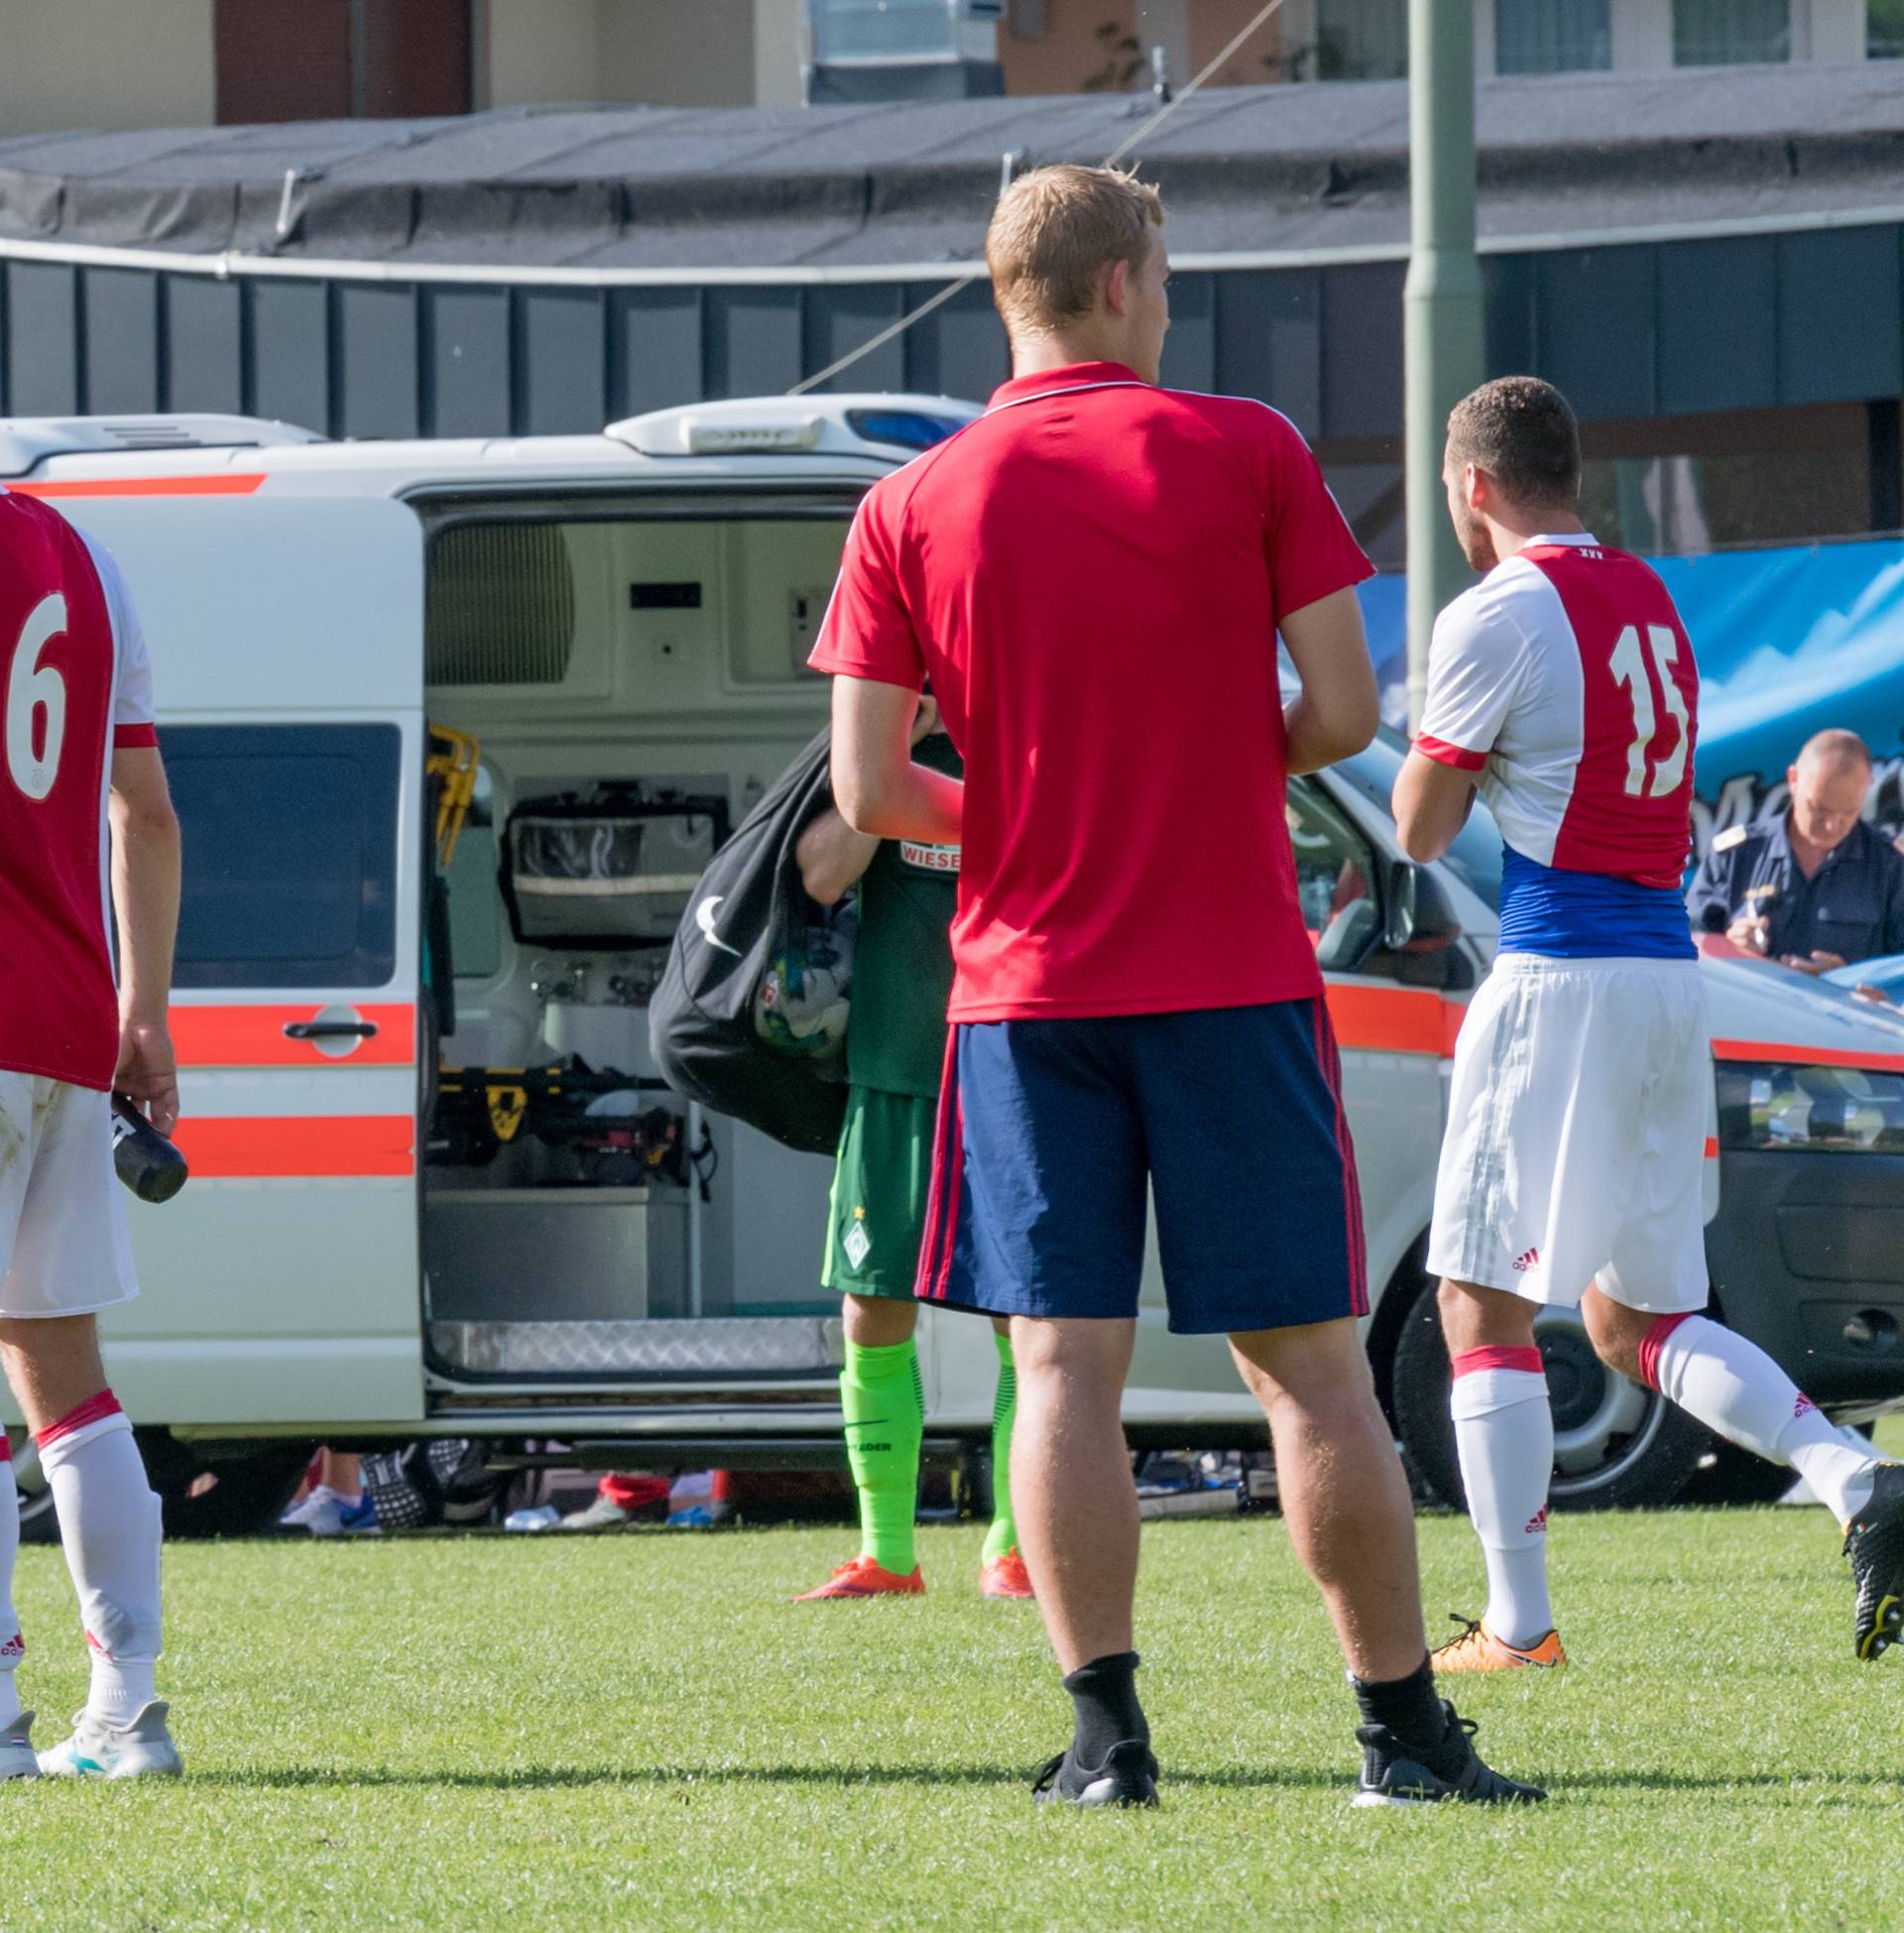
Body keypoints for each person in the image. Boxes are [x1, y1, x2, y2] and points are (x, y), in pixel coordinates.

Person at [809, 162, 1539, 1809]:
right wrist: (1207, 767)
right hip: (1227, 977)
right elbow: (1350, 712)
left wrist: (1021, 808)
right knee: (1315, 1366)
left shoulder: (907, 502)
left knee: (1063, 1372)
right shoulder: (1245, 447)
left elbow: (868, 789)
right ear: (1131, 283)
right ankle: (1402, 1732)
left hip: (1020, 992)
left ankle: (1106, 1738)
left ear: (1008, 296)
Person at [1393, 375, 1904, 1677]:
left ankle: (1521, 1623)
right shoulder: (1650, 601)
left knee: (1478, 1298)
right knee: (1640, 1316)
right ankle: (1855, 1477)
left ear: (1472, 488)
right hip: (1669, 978)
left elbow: (1417, 827)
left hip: (1559, 971)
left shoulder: (1498, 610)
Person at [0, 484, 183, 1778]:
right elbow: (146, 811)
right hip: (66, 1015)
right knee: (68, 1381)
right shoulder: (81, 550)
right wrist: (148, 1014)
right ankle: (126, 1709)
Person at [789, 698, 1029, 1602]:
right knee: (872, 1313)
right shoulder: (887, 755)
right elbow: (818, 876)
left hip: (1011, 1069)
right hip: (893, 1074)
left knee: (1026, 1322)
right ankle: (888, 1554)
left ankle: (1012, 1546)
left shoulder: (1025, 735)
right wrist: (882, 743)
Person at [1686, 730, 1904, 972]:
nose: (1832, 825)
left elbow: (1897, 978)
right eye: (1819, 808)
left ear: (1868, 788)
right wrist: (1727, 945)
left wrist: (1847, 981)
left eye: (1848, 812)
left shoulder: (1891, 868)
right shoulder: (1735, 856)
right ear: (1793, 779)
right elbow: (1686, 952)